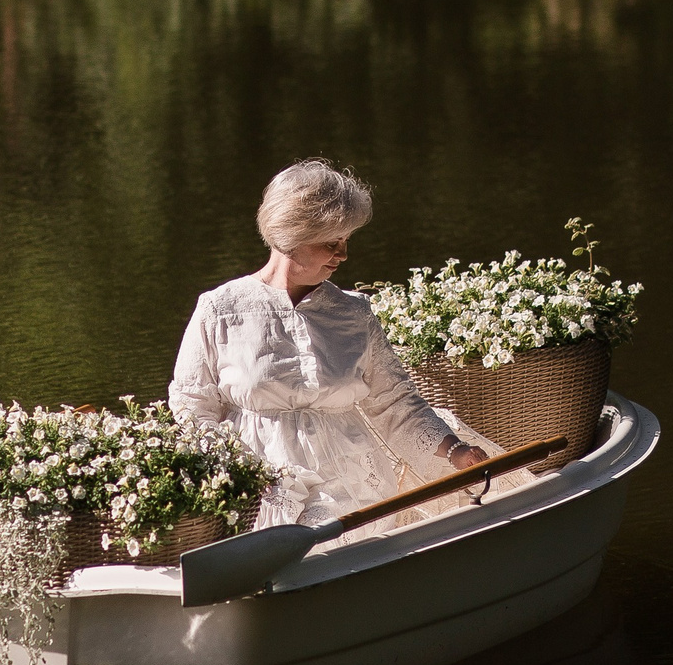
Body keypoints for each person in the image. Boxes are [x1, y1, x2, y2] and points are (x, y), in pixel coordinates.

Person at [170, 159, 491, 528]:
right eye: (331, 242)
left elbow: (395, 402)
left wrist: (454, 450)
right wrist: (233, 476)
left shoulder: (354, 312)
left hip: (354, 484)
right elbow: (192, 407)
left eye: (346, 240)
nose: (343, 254)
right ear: (291, 235)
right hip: (258, 487)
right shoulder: (220, 309)